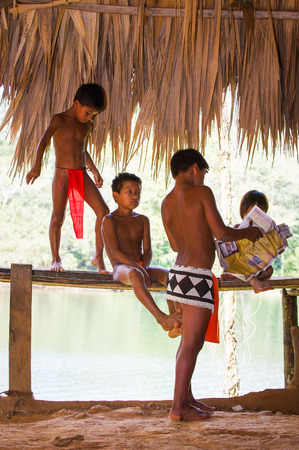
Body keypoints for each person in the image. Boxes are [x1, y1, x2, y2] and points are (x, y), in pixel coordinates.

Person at [161, 149, 262, 421]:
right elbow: (221, 233)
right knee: (192, 345)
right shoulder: (202, 194)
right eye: (204, 172)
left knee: (186, 345)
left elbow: (173, 245)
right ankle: (178, 408)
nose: (204, 177)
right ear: (195, 168)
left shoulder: (166, 202)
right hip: (196, 276)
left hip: (177, 274)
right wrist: (249, 232)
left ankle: (187, 400)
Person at [26, 83, 109, 273]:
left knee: (103, 211)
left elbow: (82, 150)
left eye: (93, 115)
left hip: (81, 173)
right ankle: (56, 259)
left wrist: (94, 170)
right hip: (62, 174)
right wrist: (36, 166)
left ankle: (98, 257)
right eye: (88, 113)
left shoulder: (87, 126)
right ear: (76, 104)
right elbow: (44, 140)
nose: (89, 118)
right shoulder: (59, 119)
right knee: (58, 216)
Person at [101, 172, 182, 332]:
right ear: (116, 196)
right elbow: (116, 252)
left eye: (138, 192)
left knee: (171, 276)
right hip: (121, 268)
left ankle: (176, 320)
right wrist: (139, 270)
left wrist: (143, 268)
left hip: (141, 267)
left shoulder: (143, 220)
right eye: (129, 192)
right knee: (134, 274)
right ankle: (161, 318)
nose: (134, 196)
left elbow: (148, 250)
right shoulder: (109, 220)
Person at [221, 190, 274, 293]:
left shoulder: (264, 231)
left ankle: (245, 279)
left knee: (269, 270)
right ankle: (238, 278)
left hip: (254, 264)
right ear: (244, 211)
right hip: (240, 264)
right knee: (237, 267)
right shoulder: (237, 227)